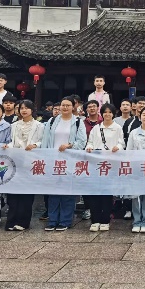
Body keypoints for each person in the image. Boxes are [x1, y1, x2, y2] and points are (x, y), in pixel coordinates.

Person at [41, 96, 87, 231]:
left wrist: (70, 145)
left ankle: (65, 221)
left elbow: (82, 142)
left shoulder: (78, 122)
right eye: (63, 105)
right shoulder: (52, 121)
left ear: (73, 107)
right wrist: (44, 157)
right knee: (53, 193)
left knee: (67, 192)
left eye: (68, 105)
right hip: (53, 161)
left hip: (70, 161)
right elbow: (45, 140)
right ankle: (52, 220)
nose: (65, 107)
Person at [3, 100, 44, 231]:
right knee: (12, 193)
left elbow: (42, 141)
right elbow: (12, 141)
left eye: (27, 108)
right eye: (21, 108)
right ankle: (11, 221)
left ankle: (23, 222)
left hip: (30, 161)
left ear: (32, 110)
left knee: (26, 193)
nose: (24, 110)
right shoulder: (14, 125)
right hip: (15, 161)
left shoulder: (39, 125)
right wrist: (8, 146)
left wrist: (35, 145)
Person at [85, 103, 125, 232]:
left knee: (107, 193)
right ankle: (95, 220)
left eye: (110, 112)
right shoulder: (96, 128)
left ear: (113, 114)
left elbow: (121, 143)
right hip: (96, 163)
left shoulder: (117, 128)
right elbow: (90, 142)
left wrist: (118, 147)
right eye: (105, 112)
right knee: (95, 193)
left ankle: (105, 220)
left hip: (110, 164)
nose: (107, 114)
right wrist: (89, 147)